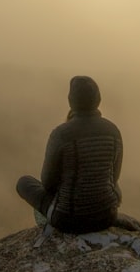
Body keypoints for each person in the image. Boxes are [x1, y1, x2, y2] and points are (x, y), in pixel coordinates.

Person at [16, 75, 123, 234]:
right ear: (98, 98)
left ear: (70, 101)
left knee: (24, 183)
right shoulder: (113, 131)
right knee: (109, 181)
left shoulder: (61, 134)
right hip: (106, 217)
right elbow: (114, 178)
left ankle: (52, 218)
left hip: (68, 220)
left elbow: (48, 183)